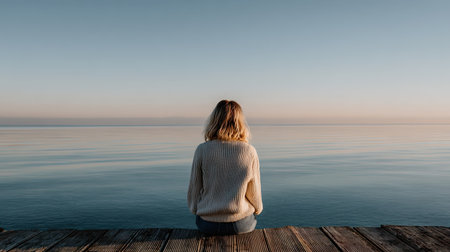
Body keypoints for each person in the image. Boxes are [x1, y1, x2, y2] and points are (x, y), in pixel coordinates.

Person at [187, 100, 263, 235]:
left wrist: (194, 209)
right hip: (239, 224)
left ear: (214, 121)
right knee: (253, 217)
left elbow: (195, 187)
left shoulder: (202, 150)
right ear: (240, 122)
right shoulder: (249, 151)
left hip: (207, 224)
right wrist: (258, 209)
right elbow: (254, 193)